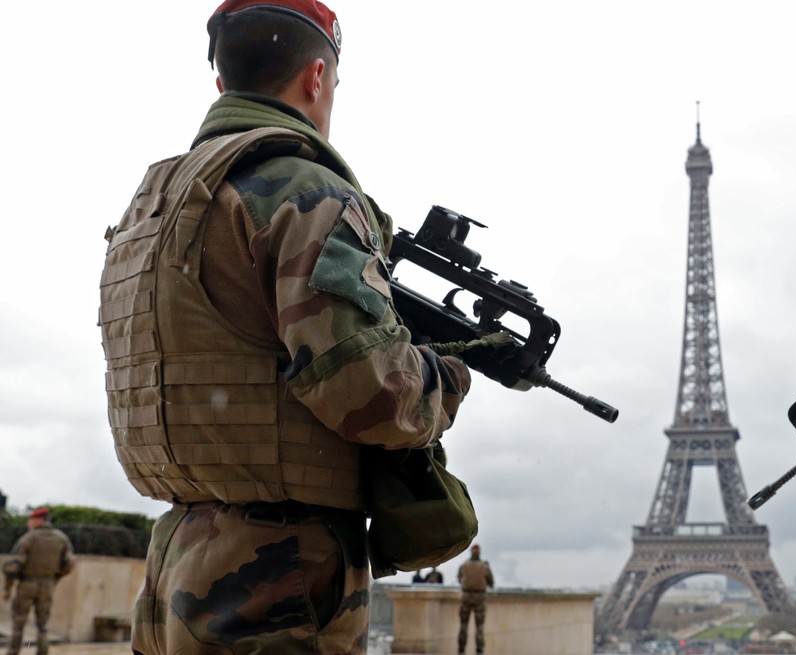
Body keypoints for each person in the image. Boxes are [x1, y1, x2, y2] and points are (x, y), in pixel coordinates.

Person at [98, 1, 472, 653]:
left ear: (222, 84)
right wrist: (445, 377)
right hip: (280, 571)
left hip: (177, 557)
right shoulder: (304, 191)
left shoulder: (152, 204)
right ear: (317, 77)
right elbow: (372, 395)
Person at [4, 508, 74, 655]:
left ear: (38, 520)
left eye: (30, 520)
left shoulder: (28, 538)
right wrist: (55, 577)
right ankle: (43, 652)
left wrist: (7, 587)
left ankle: (13, 651)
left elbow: (15, 565)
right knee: (43, 624)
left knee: (18, 622)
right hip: (47, 584)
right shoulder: (61, 538)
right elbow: (69, 563)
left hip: (27, 583)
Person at [457, 544, 494, 655]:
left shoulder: (464, 565)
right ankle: (479, 650)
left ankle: (461, 649)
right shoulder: (484, 567)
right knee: (479, 627)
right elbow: (491, 583)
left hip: (466, 597)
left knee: (463, 625)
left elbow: (459, 579)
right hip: (479, 598)